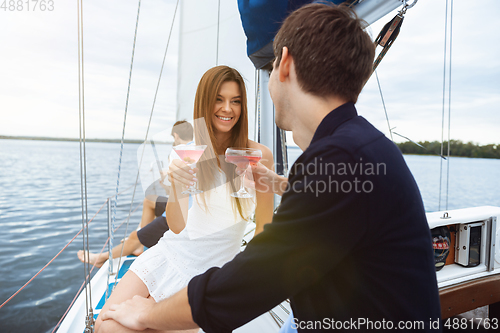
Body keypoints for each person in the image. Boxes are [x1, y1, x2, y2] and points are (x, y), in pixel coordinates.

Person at [101, 3, 442, 333]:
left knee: (110, 327)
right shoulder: (356, 148)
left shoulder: (340, 159)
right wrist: (282, 185)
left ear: (285, 64)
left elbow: (252, 282)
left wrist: (150, 313)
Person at [95, 65, 274, 332]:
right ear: (204, 102)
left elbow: (263, 227)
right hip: (171, 254)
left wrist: (244, 279)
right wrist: (175, 187)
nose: (228, 109)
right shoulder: (185, 154)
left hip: (211, 274)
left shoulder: (259, 155)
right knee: (104, 326)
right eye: (219, 99)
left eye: (235, 101)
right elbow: (176, 226)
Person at [77, 120, 194, 268]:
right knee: (149, 201)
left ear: (176, 135)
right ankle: (140, 240)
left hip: (182, 212)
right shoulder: (197, 149)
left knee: (133, 237)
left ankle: (102, 258)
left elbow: (176, 192)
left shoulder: (180, 153)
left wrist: (167, 180)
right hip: (187, 204)